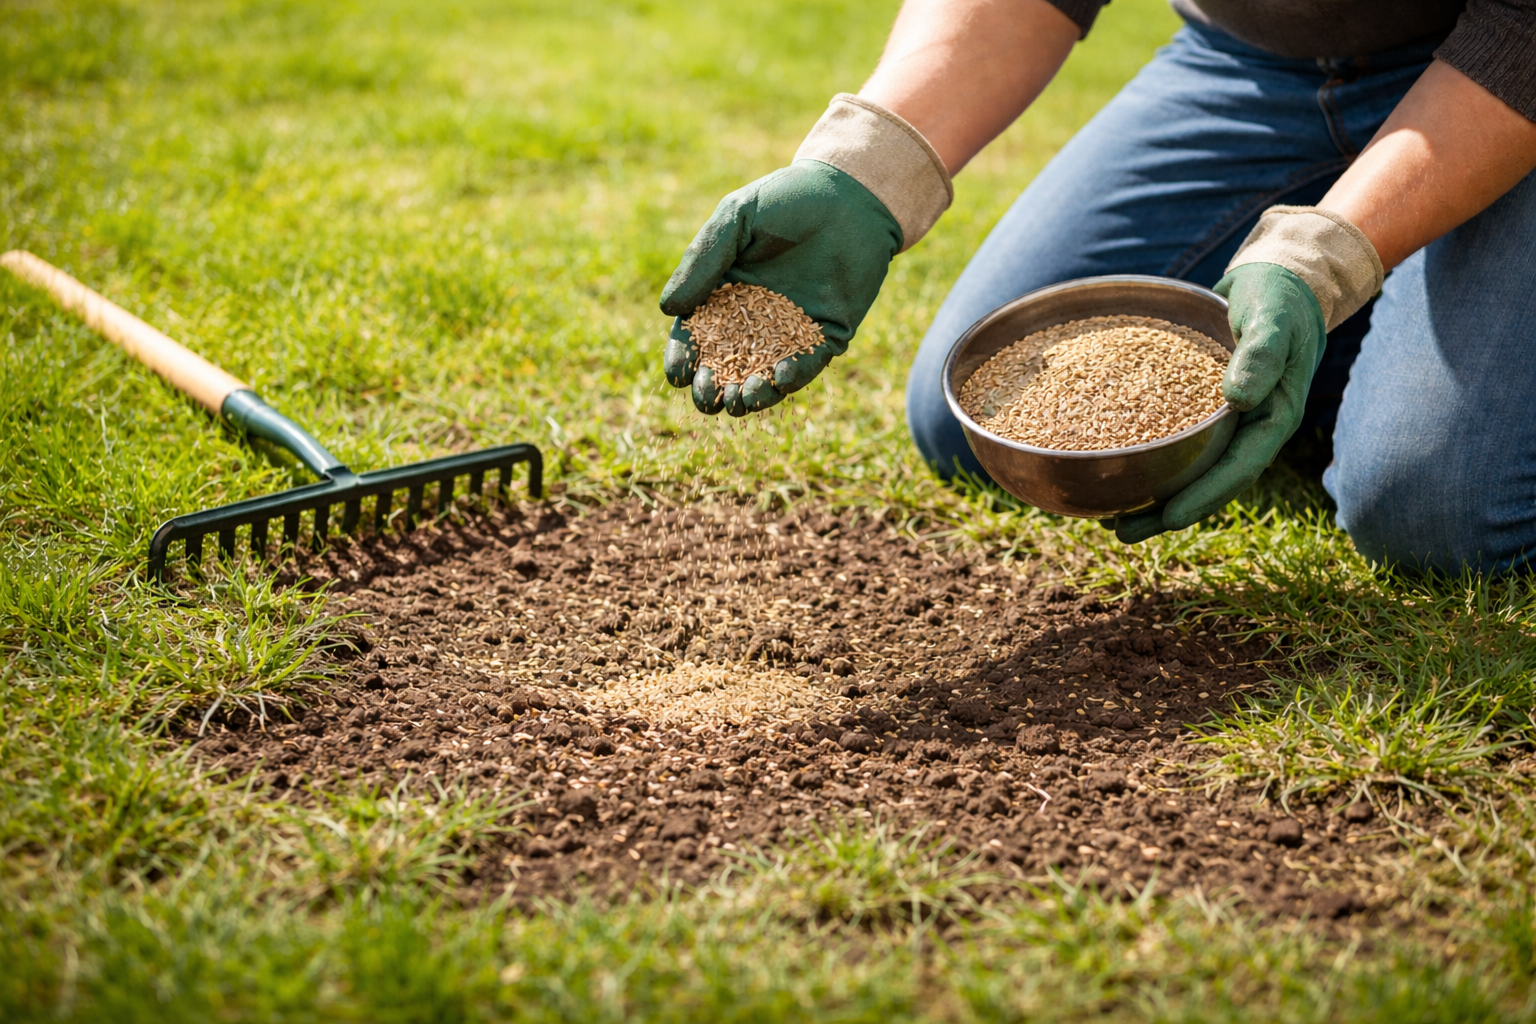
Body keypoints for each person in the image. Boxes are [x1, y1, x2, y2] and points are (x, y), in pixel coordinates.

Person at [658, 0, 1536, 576]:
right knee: (971, 429)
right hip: (1251, 65)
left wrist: (1324, 262)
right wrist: (872, 166)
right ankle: (1373, 335)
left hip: (1503, 71)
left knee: (1436, 518)